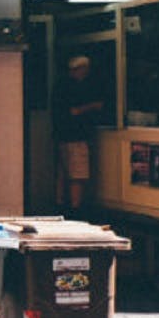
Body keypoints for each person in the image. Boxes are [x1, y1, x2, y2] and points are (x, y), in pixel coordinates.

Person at [52, 55, 104, 213]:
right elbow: (74, 111)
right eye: (85, 69)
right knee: (78, 174)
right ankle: (76, 208)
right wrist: (93, 106)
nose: (86, 72)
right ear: (79, 69)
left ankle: (59, 203)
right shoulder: (74, 87)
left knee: (63, 171)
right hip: (76, 135)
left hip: (61, 135)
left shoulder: (59, 85)